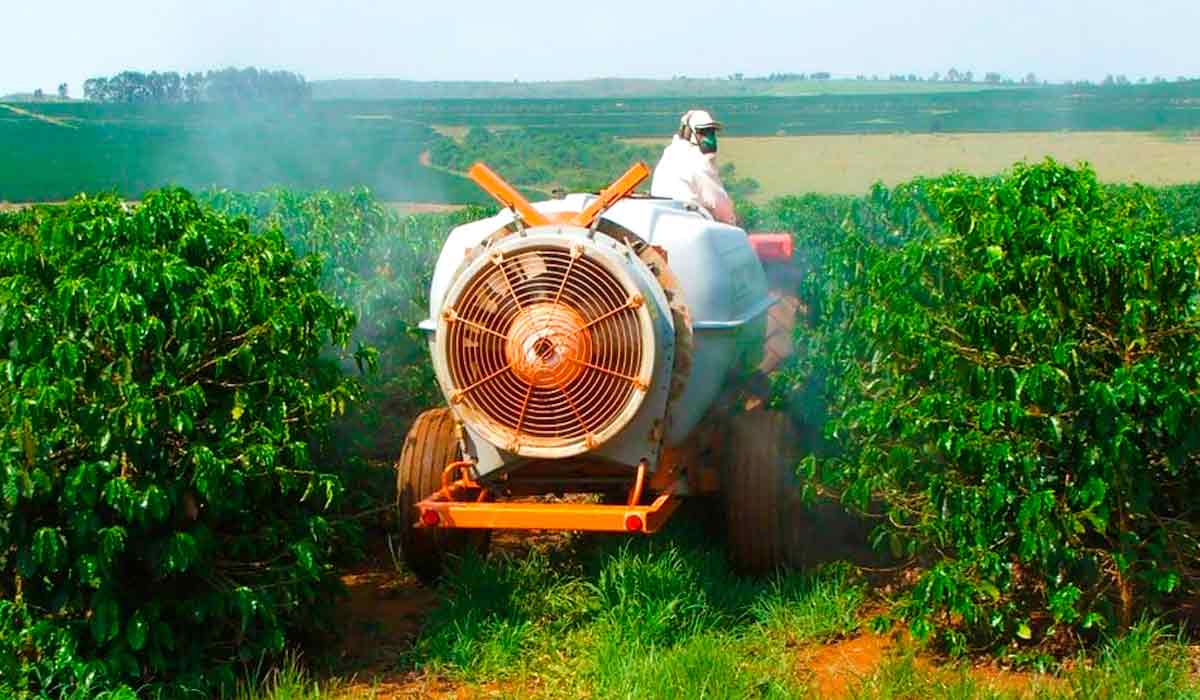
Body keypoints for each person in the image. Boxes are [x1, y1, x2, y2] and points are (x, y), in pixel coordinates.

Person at [650, 109, 737, 225]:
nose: (710, 138)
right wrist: (734, 222)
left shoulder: (670, 154)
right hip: (691, 225)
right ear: (689, 132)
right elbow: (720, 206)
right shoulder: (695, 161)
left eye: (711, 132)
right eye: (702, 132)